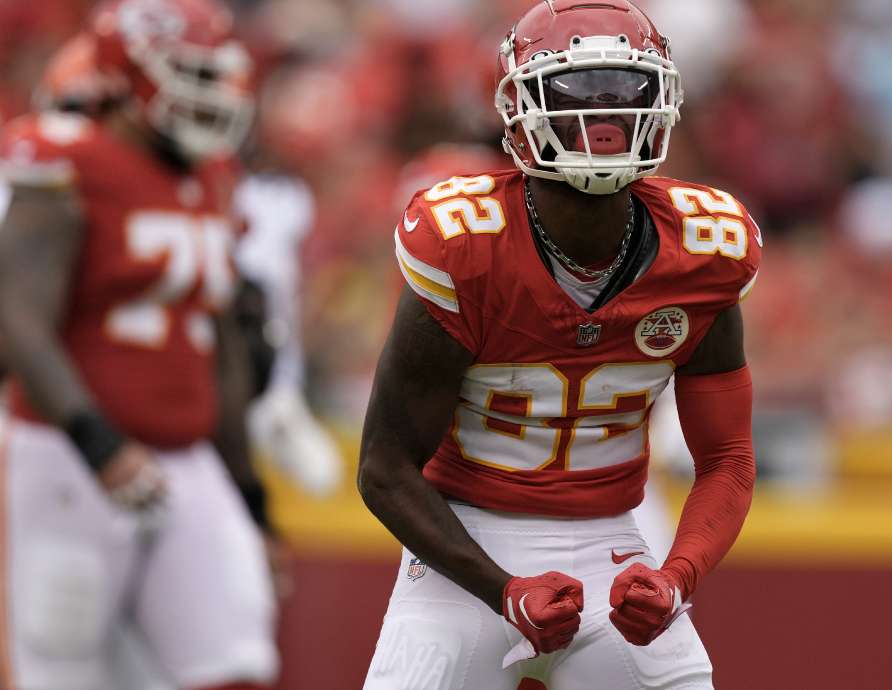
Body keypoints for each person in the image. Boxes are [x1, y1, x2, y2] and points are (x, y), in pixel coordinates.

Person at [358, 1, 761, 688]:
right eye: (575, 88)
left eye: (624, 88)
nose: (602, 113)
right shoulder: (465, 244)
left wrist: (675, 577)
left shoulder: (706, 249)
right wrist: (502, 589)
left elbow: (726, 457)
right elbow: (384, 467)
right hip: (463, 547)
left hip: (615, 543)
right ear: (519, 104)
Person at [0, 1, 278, 688]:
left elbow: (222, 352)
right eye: (189, 73)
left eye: (218, 75)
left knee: (236, 662)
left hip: (186, 457)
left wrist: (251, 498)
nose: (211, 94)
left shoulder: (212, 175)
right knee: (65, 670)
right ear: (125, 74)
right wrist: (98, 443)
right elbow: (15, 314)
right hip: (70, 458)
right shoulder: (66, 156)